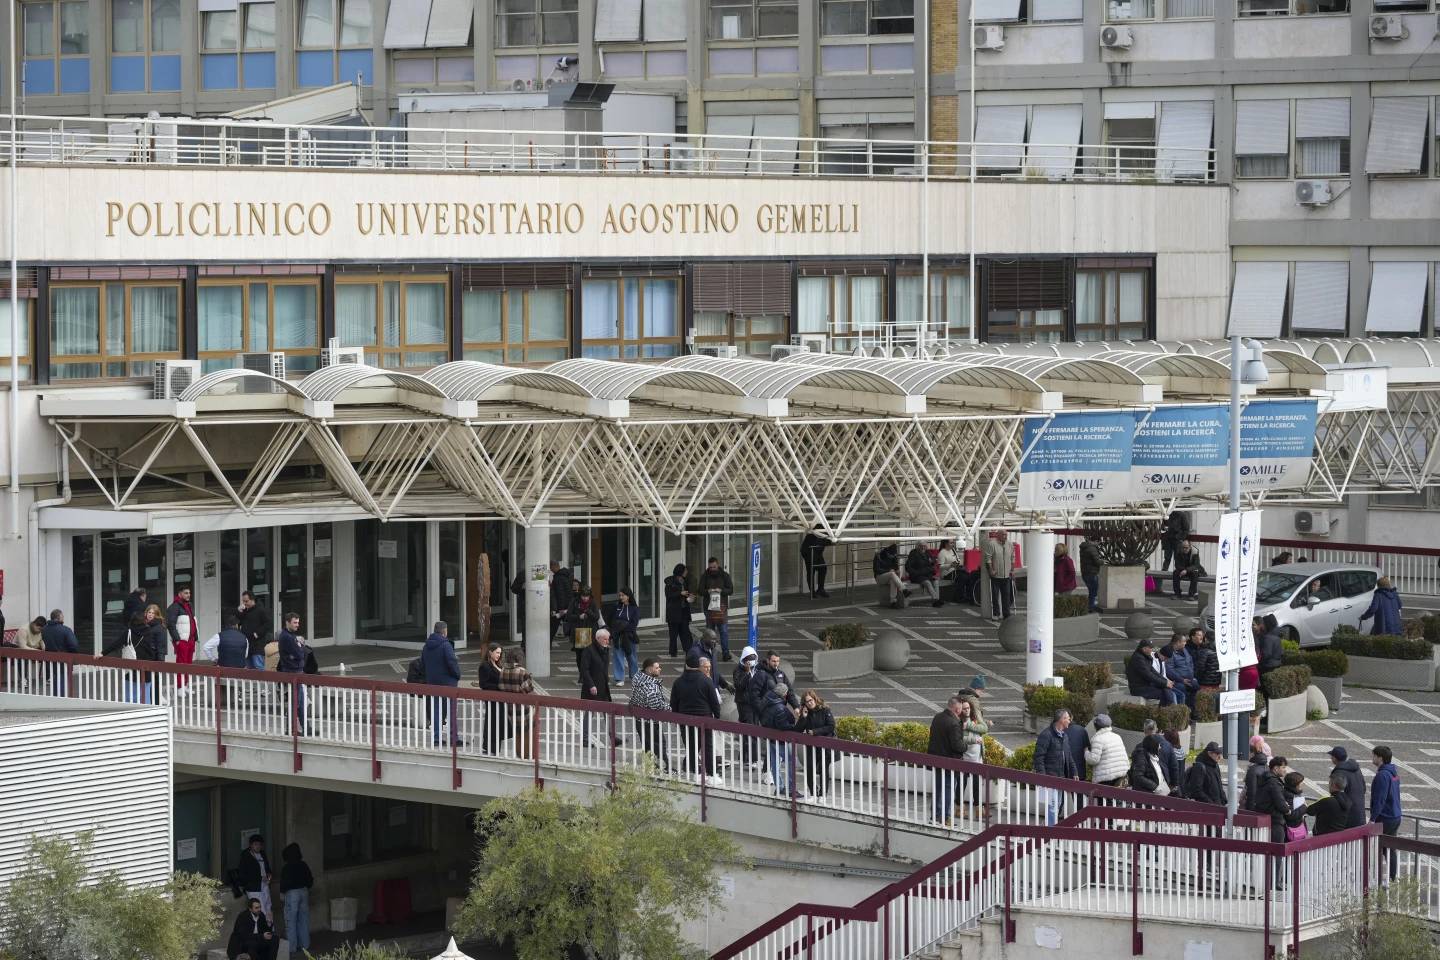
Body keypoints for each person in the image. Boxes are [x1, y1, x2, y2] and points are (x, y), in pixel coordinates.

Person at [670, 652, 722, 781]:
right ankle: (711, 774)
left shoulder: (678, 682)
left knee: (691, 747)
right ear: (698, 665)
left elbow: (673, 703)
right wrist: (717, 716)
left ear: (686, 665)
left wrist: (676, 718)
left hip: (685, 720)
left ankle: (696, 773)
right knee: (707, 746)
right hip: (705, 719)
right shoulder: (706, 681)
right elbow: (714, 702)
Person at [1034, 709, 1078, 825]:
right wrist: (1043, 778)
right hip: (1050, 778)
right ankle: (1051, 832)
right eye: (1068, 718)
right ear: (1061, 720)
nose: (1069, 721)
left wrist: (1074, 772)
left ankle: (1050, 829)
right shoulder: (1046, 735)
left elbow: (1068, 756)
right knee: (1052, 806)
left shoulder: (1064, 736)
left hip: (1061, 778)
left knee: (1057, 806)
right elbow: (1038, 758)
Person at [928, 697, 968, 825]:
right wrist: (965, 745)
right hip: (950, 762)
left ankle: (935, 816)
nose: (961, 711)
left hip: (936, 760)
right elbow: (957, 746)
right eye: (961, 708)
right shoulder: (954, 723)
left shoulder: (937, 717)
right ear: (957, 709)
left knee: (938, 789)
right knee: (948, 790)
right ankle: (945, 818)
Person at [759, 682, 802, 798]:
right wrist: (796, 727)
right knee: (790, 761)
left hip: (770, 737)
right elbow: (783, 726)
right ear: (784, 694)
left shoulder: (766, 699)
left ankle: (779, 787)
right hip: (781, 740)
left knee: (774, 762)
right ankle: (791, 789)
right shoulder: (780, 708)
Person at [422, 621, 461, 746]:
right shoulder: (446, 645)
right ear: (444, 631)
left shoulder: (426, 646)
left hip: (432, 682)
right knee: (451, 711)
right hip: (448, 683)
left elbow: (423, 663)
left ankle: (436, 738)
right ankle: (453, 737)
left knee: (436, 710)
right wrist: (457, 675)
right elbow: (452, 663)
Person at [628, 656, 670, 772]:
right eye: (657, 668)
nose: (660, 669)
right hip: (651, 721)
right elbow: (656, 705)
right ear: (649, 670)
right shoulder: (651, 686)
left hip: (639, 719)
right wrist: (670, 708)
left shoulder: (638, 678)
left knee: (647, 745)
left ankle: (650, 767)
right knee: (659, 745)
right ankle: (662, 768)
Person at [1252, 756, 1304, 843]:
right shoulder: (1274, 783)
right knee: (1277, 848)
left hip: (1264, 817)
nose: (1285, 770)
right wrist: (1288, 811)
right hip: (1275, 820)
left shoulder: (1265, 778)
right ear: (1276, 768)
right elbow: (1280, 803)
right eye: (1283, 767)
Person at [796, 689, 836, 800]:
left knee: (823, 770)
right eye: (807, 702)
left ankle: (823, 795)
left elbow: (831, 726)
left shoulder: (824, 709)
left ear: (815, 698)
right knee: (809, 770)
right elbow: (797, 729)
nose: (809, 703)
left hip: (824, 745)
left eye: (810, 700)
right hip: (811, 746)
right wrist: (803, 717)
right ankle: (813, 793)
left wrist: (815, 732)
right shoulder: (806, 713)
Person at [580, 629, 616, 748]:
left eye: (608, 639)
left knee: (608, 712)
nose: (607, 641)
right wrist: (591, 685)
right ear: (598, 638)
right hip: (593, 688)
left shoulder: (605, 650)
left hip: (603, 687)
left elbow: (603, 668)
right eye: (605, 639)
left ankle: (613, 737)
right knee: (589, 714)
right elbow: (584, 670)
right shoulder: (588, 651)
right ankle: (585, 739)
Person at [1371, 745, 1402, 881]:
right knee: (1390, 848)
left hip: (1385, 817)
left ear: (1380, 758)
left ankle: (1382, 878)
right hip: (1395, 815)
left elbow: (1380, 799)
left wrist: (1372, 819)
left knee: (1379, 847)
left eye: (1374, 755)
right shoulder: (1393, 772)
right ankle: (1392, 877)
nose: (1372, 758)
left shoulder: (1382, 775)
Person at [498, 650, 536, 759]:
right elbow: (529, 690)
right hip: (524, 708)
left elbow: (501, 687)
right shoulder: (522, 672)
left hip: (510, 708)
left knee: (517, 733)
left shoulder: (503, 670)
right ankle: (527, 756)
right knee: (527, 733)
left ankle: (519, 754)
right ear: (519, 658)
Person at [697, 557, 735, 661]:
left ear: (717, 565)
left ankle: (725, 653)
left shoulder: (724, 575)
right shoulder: (705, 576)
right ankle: (709, 653)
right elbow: (699, 590)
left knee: (723, 631)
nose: (712, 569)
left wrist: (721, 591)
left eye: (714, 567)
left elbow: (731, 590)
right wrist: (708, 591)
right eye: (710, 567)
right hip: (709, 609)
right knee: (710, 632)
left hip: (721, 608)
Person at [278, 843, 313, 954]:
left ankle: (292, 948)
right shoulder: (303, 864)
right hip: (304, 891)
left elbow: (284, 883)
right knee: (304, 920)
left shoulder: (287, 867)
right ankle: (305, 945)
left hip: (291, 894)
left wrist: (282, 893)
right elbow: (310, 881)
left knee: (290, 921)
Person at [276, 613, 307, 735]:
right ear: (287, 622)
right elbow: (300, 654)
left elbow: (298, 655)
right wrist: (300, 646)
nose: (297, 625)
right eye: (295, 622)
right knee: (296, 703)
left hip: (295, 671)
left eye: (298, 623)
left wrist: (297, 650)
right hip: (293, 672)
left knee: (300, 702)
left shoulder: (288, 635)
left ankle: (304, 727)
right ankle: (292, 729)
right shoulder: (287, 637)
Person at [1126, 638, 1180, 705]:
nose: (1152, 650)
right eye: (1150, 648)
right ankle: (1163, 713)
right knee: (1165, 694)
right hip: (1139, 688)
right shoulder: (1138, 658)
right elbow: (1148, 675)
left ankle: (1164, 712)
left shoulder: (1146, 657)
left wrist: (1165, 681)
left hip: (1146, 686)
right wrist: (1165, 683)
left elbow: (1153, 671)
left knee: (1167, 691)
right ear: (1144, 648)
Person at [477, 642, 509, 754]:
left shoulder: (499, 664)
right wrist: (500, 687)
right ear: (490, 652)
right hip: (492, 698)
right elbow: (483, 684)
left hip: (500, 699)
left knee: (498, 723)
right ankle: (489, 747)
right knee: (492, 722)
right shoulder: (484, 666)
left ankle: (494, 748)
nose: (499, 655)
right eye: (497, 653)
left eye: (500, 653)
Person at [1327, 746, 1368, 829]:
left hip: (1348, 817)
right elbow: (1363, 788)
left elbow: (1336, 794)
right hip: (1360, 814)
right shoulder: (1356, 768)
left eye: (1332, 756)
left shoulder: (1338, 773)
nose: (1331, 758)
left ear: (1335, 758)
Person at [235, 835, 273, 919]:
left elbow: (267, 868)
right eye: (256, 844)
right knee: (259, 909)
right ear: (251, 845)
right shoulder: (246, 855)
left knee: (268, 907)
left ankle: (269, 929)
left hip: (264, 885)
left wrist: (269, 874)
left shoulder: (262, 854)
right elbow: (244, 874)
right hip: (253, 887)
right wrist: (260, 878)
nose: (258, 846)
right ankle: (260, 930)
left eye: (260, 844)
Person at [1086, 714, 1129, 787]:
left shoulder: (1098, 739)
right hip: (1121, 776)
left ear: (1096, 726)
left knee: (1105, 798)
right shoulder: (1117, 736)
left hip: (1106, 778)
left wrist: (1086, 752)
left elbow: (1093, 760)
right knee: (1117, 797)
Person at [609, 587, 640, 687]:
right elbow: (611, 620)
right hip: (617, 636)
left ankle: (634, 676)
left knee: (632, 657)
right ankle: (619, 678)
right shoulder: (616, 607)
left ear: (628, 596)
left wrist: (622, 627)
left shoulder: (634, 608)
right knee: (618, 657)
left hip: (629, 636)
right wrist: (615, 629)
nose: (621, 597)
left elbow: (634, 624)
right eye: (620, 595)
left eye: (623, 595)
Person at [567, 585, 601, 672]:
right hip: (579, 631)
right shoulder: (575, 602)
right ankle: (582, 674)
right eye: (583, 596)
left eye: (587, 596)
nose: (585, 598)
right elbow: (569, 616)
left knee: (589, 654)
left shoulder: (593, 603)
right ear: (580, 595)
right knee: (580, 655)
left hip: (590, 631)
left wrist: (588, 612)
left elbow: (596, 617)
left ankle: (587, 673)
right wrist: (579, 616)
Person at [984, 532, 1016, 621]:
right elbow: (988, 558)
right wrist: (991, 570)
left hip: (1006, 574)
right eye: (1003, 535)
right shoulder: (992, 544)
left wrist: (1012, 570)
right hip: (996, 575)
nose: (1005, 536)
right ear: (998, 535)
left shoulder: (1009, 544)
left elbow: (1013, 557)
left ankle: (1006, 614)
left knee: (1006, 595)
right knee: (995, 595)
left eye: (1006, 535)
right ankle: (996, 613)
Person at [664, 564, 694, 658]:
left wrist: (690, 596)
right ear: (680, 572)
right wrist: (680, 593)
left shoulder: (685, 581)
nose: (686, 572)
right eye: (685, 571)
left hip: (684, 610)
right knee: (673, 633)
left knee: (685, 632)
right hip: (673, 612)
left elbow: (688, 592)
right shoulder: (670, 582)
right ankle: (673, 652)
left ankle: (688, 650)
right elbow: (669, 596)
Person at [1162, 632, 1198, 709]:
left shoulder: (1184, 650)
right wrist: (1182, 680)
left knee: (1196, 686)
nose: (1185, 643)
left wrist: (1192, 675)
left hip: (1189, 679)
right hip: (1176, 681)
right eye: (1184, 641)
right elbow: (1169, 670)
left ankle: (1191, 713)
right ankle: (1183, 712)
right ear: (1178, 642)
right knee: (1183, 691)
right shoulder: (1169, 652)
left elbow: (1190, 661)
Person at [1184, 742, 1227, 806]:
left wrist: (1224, 801)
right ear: (1209, 753)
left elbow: (1219, 785)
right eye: (1217, 754)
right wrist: (1211, 804)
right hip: (1207, 808)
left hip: (1218, 806)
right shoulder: (1199, 767)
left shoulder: (1215, 765)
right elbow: (1196, 791)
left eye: (1220, 754)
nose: (1220, 757)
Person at [166, 586, 198, 667]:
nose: (189, 595)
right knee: (182, 664)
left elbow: (192, 621)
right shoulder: (174, 607)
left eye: (189, 593)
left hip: (191, 639)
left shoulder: (189, 605)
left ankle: (187, 680)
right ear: (180, 594)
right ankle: (181, 680)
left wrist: (195, 637)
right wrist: (177, 640)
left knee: (189, 664)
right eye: (186, 593)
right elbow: (170, 625)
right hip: (182, 641)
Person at [239, 591, 271, 671]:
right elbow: (239, 621)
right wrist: (239, 611)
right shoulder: (245, 611)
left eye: (246, 601)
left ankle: (262, 683)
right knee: (249, 670)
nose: (244, 603)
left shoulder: (261, 610)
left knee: (258, 668)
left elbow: (268, 624)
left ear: (252, 600)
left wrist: (257, 633)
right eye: (243, 601)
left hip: (257, 645)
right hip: (247, 645)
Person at [905, 543, 943, 607]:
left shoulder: (927, 553)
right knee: (927, 583)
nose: (923, 548)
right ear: (917, 547)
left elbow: (932, 563)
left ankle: (937, 600)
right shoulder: (913, 554)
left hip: (927, 574)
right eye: (921, 546)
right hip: (917, 576)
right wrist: (915, 573)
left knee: (936, 582)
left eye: (924, 546)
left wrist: (932, 565)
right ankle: (935, 600)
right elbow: (907, 567)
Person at [800, 527, 831, 599]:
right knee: (811, 571)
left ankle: (820, 589)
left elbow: (827, 541)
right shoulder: (817, 530)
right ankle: (812, 592)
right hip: (808, 552)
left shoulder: (826, 530)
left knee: (823, 568)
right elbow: (821, 541)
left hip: (816, 552)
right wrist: (829, 541)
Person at [549, 560, 576, 641]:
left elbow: (560, 595)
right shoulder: (567, 575)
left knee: (552, 627)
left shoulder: (558, 578)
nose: (550, 569)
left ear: (555, 566)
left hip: (561, 608)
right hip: (568, 605)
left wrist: (559, 609)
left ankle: (547, 645)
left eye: (551, 567)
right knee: (572, 625)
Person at [873, 543, 905, 608]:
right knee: (891, 574)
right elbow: (877, 570)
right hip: (879, 577)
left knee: (893, 580)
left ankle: (893, 601)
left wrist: (897, 570)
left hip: (889, 577)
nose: (892, 557)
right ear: (887, 553)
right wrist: (888, 571)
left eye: (893, 555)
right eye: (891, 555)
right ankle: (903, 589)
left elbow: (896, 568)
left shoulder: (894, 556)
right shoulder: (879, 556)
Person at [1079, 534, 1102, 613]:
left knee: (1091, 590)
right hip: (1092, 572)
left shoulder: (1084, 547)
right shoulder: (1092, 549)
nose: (1098, 545)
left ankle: (1090, 606)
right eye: (1099, 543)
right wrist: (1103, 562)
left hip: (1085, 572)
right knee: (1093, 591)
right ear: (1096, 541)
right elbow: (1097, 561)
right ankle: (1091, 607)